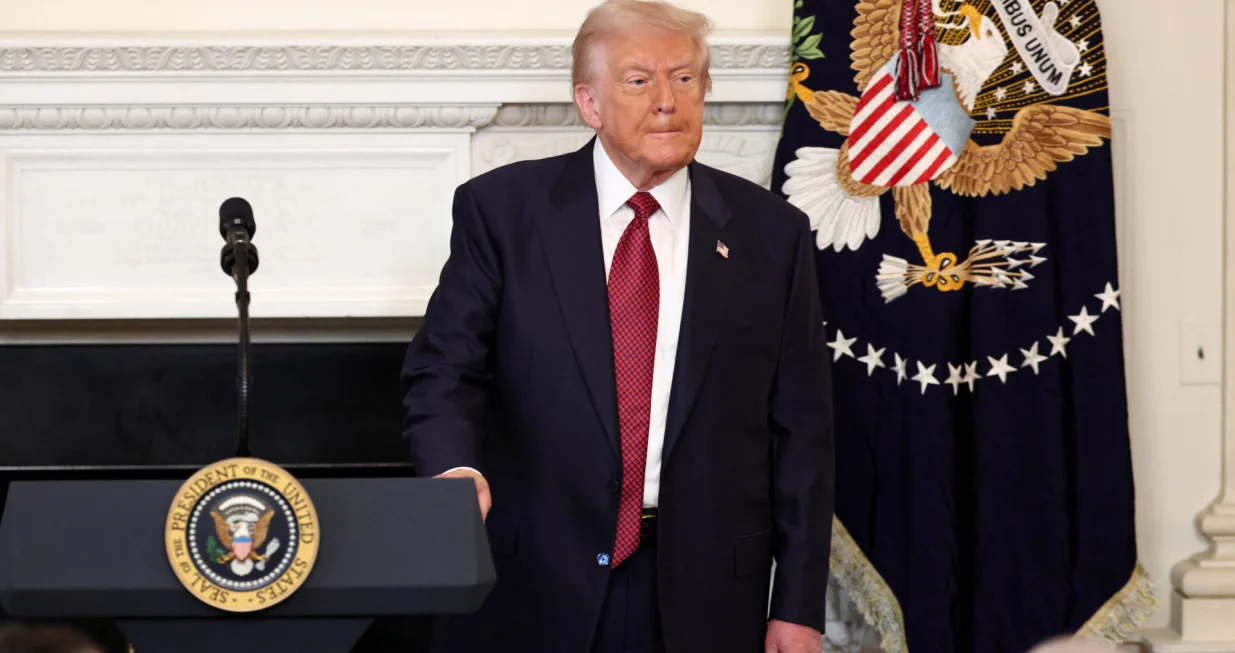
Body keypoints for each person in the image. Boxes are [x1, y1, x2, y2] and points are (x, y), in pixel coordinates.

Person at [400, 1, 835, 651]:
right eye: (638, 80)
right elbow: (445, 369)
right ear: (590, 103)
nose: (666, 101)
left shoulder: (772, 233)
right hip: (533, 580)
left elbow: (803, 430)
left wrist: (797, 606)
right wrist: (453, 471)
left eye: (684, 78)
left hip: (708, 592)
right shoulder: (503, 212)